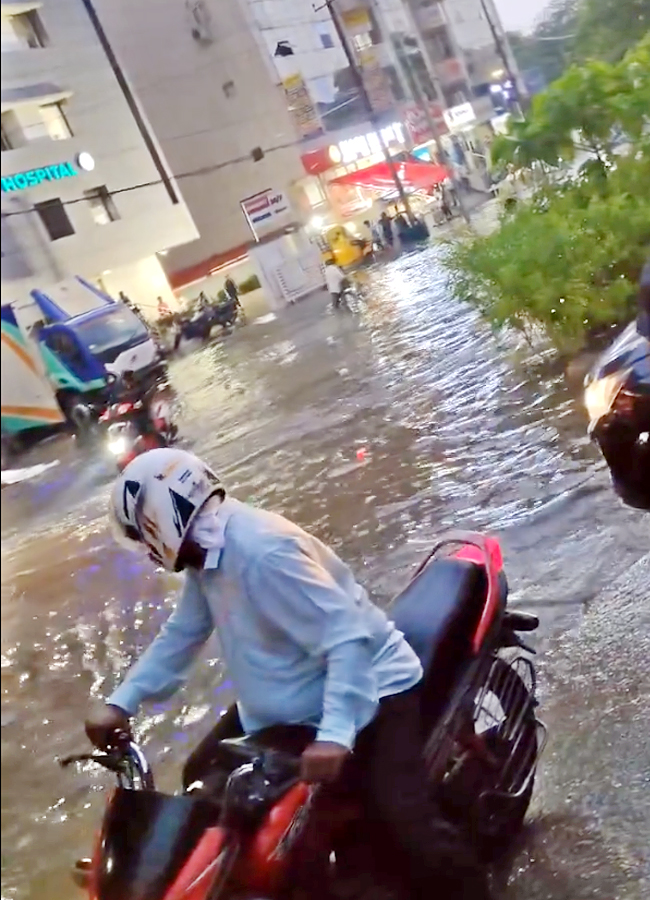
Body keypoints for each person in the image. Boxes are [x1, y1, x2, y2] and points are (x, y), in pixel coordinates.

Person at [85, 448, 480, 899]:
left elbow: (348, 639)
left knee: (409, 828)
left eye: (143, 537)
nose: (147, 554)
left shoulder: (262, 553)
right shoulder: (209, 555)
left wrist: (333, 735)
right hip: (288, 705)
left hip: (371, 691)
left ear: (163, 520)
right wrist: (122, 701)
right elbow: (183, 634)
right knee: (202, 777)